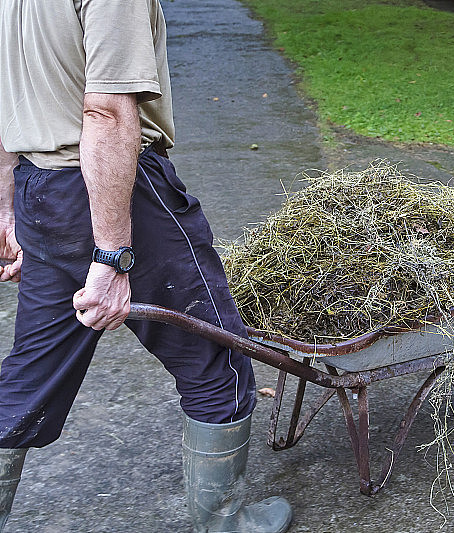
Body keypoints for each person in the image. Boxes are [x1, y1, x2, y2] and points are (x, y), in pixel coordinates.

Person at [0, 1, 292, 531]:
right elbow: (107, 112)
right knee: (215, 356)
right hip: (113, 190)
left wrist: (7, 208)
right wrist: (112, 256)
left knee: (31, 372)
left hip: (37, 189)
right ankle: (225, 521)